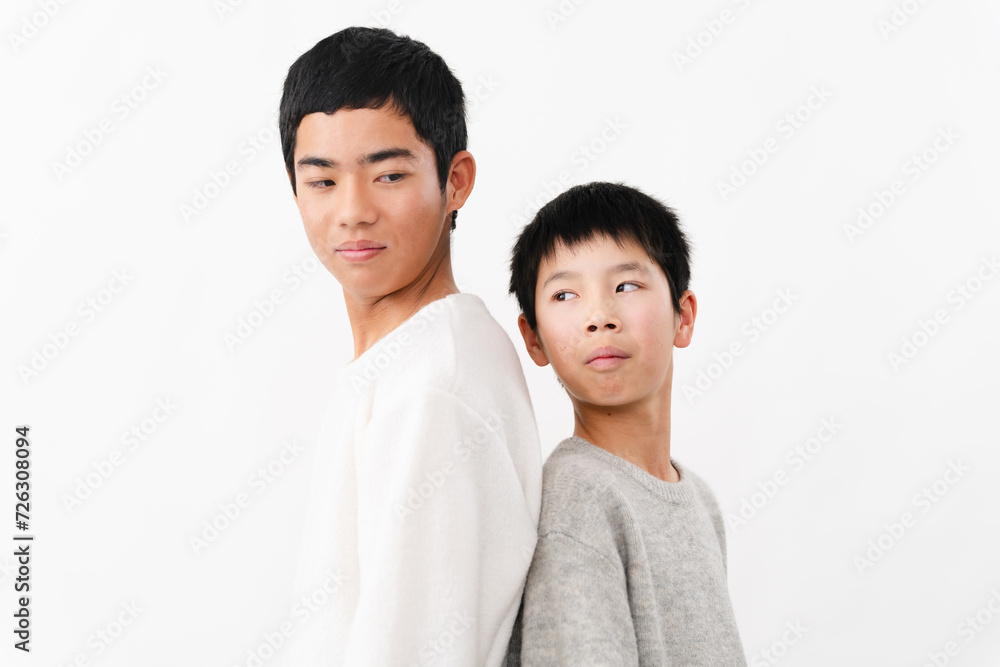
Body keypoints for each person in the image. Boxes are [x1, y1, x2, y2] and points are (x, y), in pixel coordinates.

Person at [277, 26, 542, 666]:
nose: (353, 211)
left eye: (389, 174)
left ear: (456, 181)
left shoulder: (432, 390)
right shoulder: (417, 360)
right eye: (322, 181)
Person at [505, 182, 747, 665]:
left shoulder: (699, 501)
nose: (599, 317)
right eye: (565, 294)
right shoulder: (579, 499)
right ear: (534, 339)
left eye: (627, 286)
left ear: (683, 316)